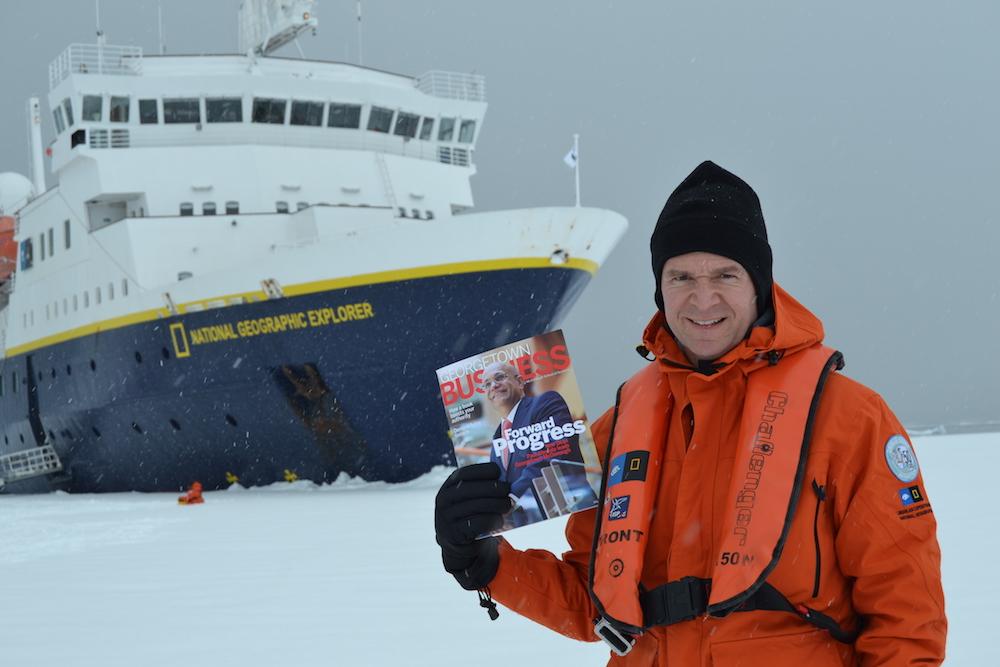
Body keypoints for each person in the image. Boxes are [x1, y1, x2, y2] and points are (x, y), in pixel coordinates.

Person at [434, 161, 947, 665]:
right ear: (660, 290)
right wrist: (483, 560)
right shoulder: (620, 428)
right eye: (681, 277)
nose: (703, 299)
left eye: (726, 274)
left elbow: (906, 619)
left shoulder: (849, 419)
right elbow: (594, 602)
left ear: (759, 285)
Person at [481, 361, 585, 516]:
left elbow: (552, 451)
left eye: (499, 377)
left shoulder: (546, 402)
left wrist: (512, 497)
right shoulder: (498, 436)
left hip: (568, 510)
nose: (493, 386)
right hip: (526, 522)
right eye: (487, 384)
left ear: (520, 382)